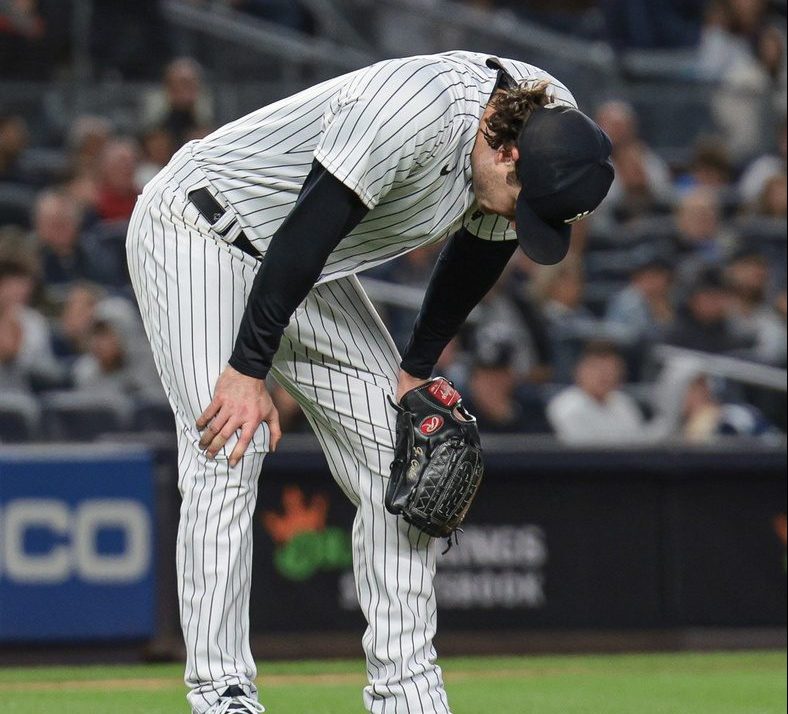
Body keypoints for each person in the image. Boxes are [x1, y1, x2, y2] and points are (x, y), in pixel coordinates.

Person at [125, 51, 613, 714]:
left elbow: (480, 247)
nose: (524, 224)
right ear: (507, 156)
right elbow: (308, 230)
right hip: (203, 228)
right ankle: (222, 694)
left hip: (306, 268)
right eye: (528, 205)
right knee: (228, 443)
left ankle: (406, 691)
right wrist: (247, 370)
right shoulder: (412, 109)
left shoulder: (545, 116)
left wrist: (416, 368)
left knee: (404, 459)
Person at [546, 340, 649, 445]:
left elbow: (639, 442)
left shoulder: (624, 402)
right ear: (580, 371)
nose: (604, 376)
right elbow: (586, 452)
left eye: (610, 370)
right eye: (597, 369)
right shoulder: (566, 406)